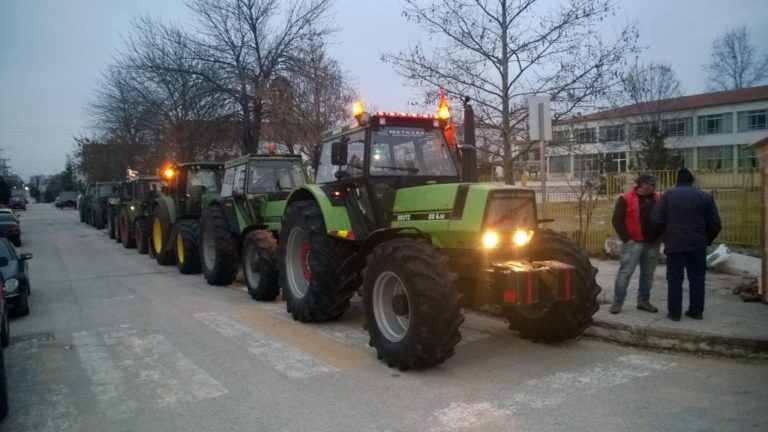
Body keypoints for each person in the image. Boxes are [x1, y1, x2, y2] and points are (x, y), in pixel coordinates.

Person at [651, 168, 721, 321]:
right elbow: (715, 224)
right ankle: (696, 311)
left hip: (674, 244)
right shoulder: (704, 196)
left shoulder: (667, 196)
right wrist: (706, 239)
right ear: (692, 181)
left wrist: (666, 236)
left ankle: (674, 313)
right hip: (697, 245)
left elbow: (656, 220)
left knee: (675, 278)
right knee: (697, 278)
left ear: (677, 181)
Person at [609, 173, 662, 314]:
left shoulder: (658, 199)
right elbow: (617, 220)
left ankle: (643, 301)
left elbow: (663, 218)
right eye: (652, 184)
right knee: (625, 272)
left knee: (648, 274)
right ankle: (617, 302)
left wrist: (660, 237)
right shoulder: (625, 198)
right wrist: (627, 239)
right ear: (643, 184)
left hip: (652, 243)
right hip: (633, 243)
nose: (655, 186)